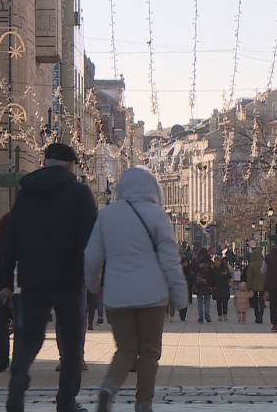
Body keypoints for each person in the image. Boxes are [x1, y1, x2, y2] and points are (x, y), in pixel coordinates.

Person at [0, 144, 97, 412]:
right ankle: (66, 401)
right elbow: (90, 240)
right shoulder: (79, 193)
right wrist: (95, 277)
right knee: (71, 343)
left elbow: (10, 239)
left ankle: (17, 384)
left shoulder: (26, 193)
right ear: (70, 165)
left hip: (32, 277)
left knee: (29, 337)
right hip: (69, 279)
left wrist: (4, 280)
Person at [84, 166, 188, 412]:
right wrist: (180, 294)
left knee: (126, 349)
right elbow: (170, 259)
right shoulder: (157, 216)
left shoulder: (107, 216)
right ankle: (143, 402)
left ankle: (108, 388)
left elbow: (91, 257)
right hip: (153, 295)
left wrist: (94, 284)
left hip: (117, 295)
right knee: (149, 351)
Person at [193, 248, 215, 322]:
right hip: (208, 283)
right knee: (207, 299)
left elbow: (192, 272)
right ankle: (207, 313)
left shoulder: (196, 262)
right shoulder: (209, 262)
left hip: (198, 283)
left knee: (199, 300)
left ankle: (200, 316)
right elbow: (213, 273)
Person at [246, 248, 266, 323]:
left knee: (255, 301)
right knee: (262, 300)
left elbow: (249, 277)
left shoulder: (251, 265)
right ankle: (261, 314)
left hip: (254, 285)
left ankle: (257, 315)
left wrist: (248, 287)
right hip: (263, 284)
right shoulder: (264, 263)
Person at [212, 255, 233, 321]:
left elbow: (230, 276)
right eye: (215, 261)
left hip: (224, 286)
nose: (216, 262)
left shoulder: (224, 268)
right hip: (217, 287)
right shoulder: (214, 269)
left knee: (225, 301)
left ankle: (225, 314)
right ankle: (219, 315)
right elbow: (212, 277)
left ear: (220, 262)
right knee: (218, 301)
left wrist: (226, 275)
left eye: (217, 261)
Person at [179, 257, 194, 321]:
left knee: (185, 302)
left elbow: (192, 278)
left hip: (187, 287)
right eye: (184, 262)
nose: (185, 264)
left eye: (186, 262)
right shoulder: (180, 270)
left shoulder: (190, 270)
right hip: (180, 287)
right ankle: (181, 313)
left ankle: (184, 314)